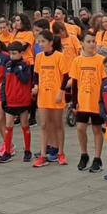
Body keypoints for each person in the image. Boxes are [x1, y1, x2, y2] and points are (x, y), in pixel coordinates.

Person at [69, 31, 106, 172]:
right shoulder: (77, 60)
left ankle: (97, 158)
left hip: (96, 101)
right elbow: (74, 83)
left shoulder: (101, 60)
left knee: (97, 129)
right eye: (89, 41)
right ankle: (84, 154)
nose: (92, 44)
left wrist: (103, 102)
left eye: (94, 41)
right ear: (82, 44)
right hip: (82, 101)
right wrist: (73, 102)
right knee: (80, 128)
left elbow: (104, 82)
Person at [33, 31, 68, 167]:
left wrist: (61, 92)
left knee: (58, 125)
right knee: (43, 125)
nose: (40, 44)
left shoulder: (59, 56)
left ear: (50, 42)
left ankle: (60, 153)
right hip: (43, 96)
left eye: (43, 41)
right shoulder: (39, 57)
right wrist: (36, 86)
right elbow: (36, 75)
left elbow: (65, 76)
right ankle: (43, 155)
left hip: (56, 96)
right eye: (39, 42)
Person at [0, 40, 33, 163]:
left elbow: (25, 80)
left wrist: (18, 69)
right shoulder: (8, 65)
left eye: (14, 53)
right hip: (10, 100)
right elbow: (4, 83)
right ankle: (7, 151)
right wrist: (4, 98)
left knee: (25, 126)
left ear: (21, 53)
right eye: (10, 54)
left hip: (23, 101)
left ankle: (28, 151)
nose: (12, 56)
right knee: (8, 126)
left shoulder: (25, 65)